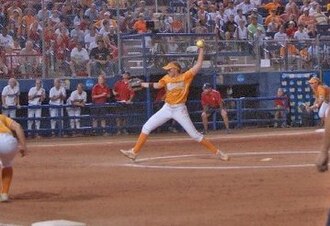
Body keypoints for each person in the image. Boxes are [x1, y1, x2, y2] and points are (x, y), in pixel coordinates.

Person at [120, 42, 229, 161]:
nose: (167, 71)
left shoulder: (185, 76)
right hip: (167, 108)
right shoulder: (166, 78)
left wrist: (201, 50)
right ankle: (134, 152)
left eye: (169, 69)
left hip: (180, 109)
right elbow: (156, 85)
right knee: (146, 127)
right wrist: (142, 84)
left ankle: (218, 153)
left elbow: (198, 65)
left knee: (195, 135)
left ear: (176, 70)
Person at [0, 113, 27, 202]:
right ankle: (4, 194)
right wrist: (23, 146)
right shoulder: (2, 117)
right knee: (7, 164)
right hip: (8, 141)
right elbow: (18, 127)